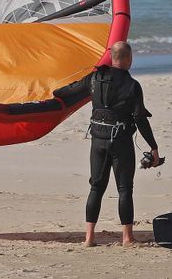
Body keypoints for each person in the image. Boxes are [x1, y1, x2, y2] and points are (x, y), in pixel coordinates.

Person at [50, 41, 160, 246]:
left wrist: (49, 92)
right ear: (129, 59)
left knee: (96, 188)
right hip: (121, 142)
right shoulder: (132, 85)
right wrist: (153, 147)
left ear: (112, 57)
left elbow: (66, 92)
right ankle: (127, 238)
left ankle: (89, 238)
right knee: (124, 189)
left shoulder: (95, 77)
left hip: (98, 141)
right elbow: (140, 118)